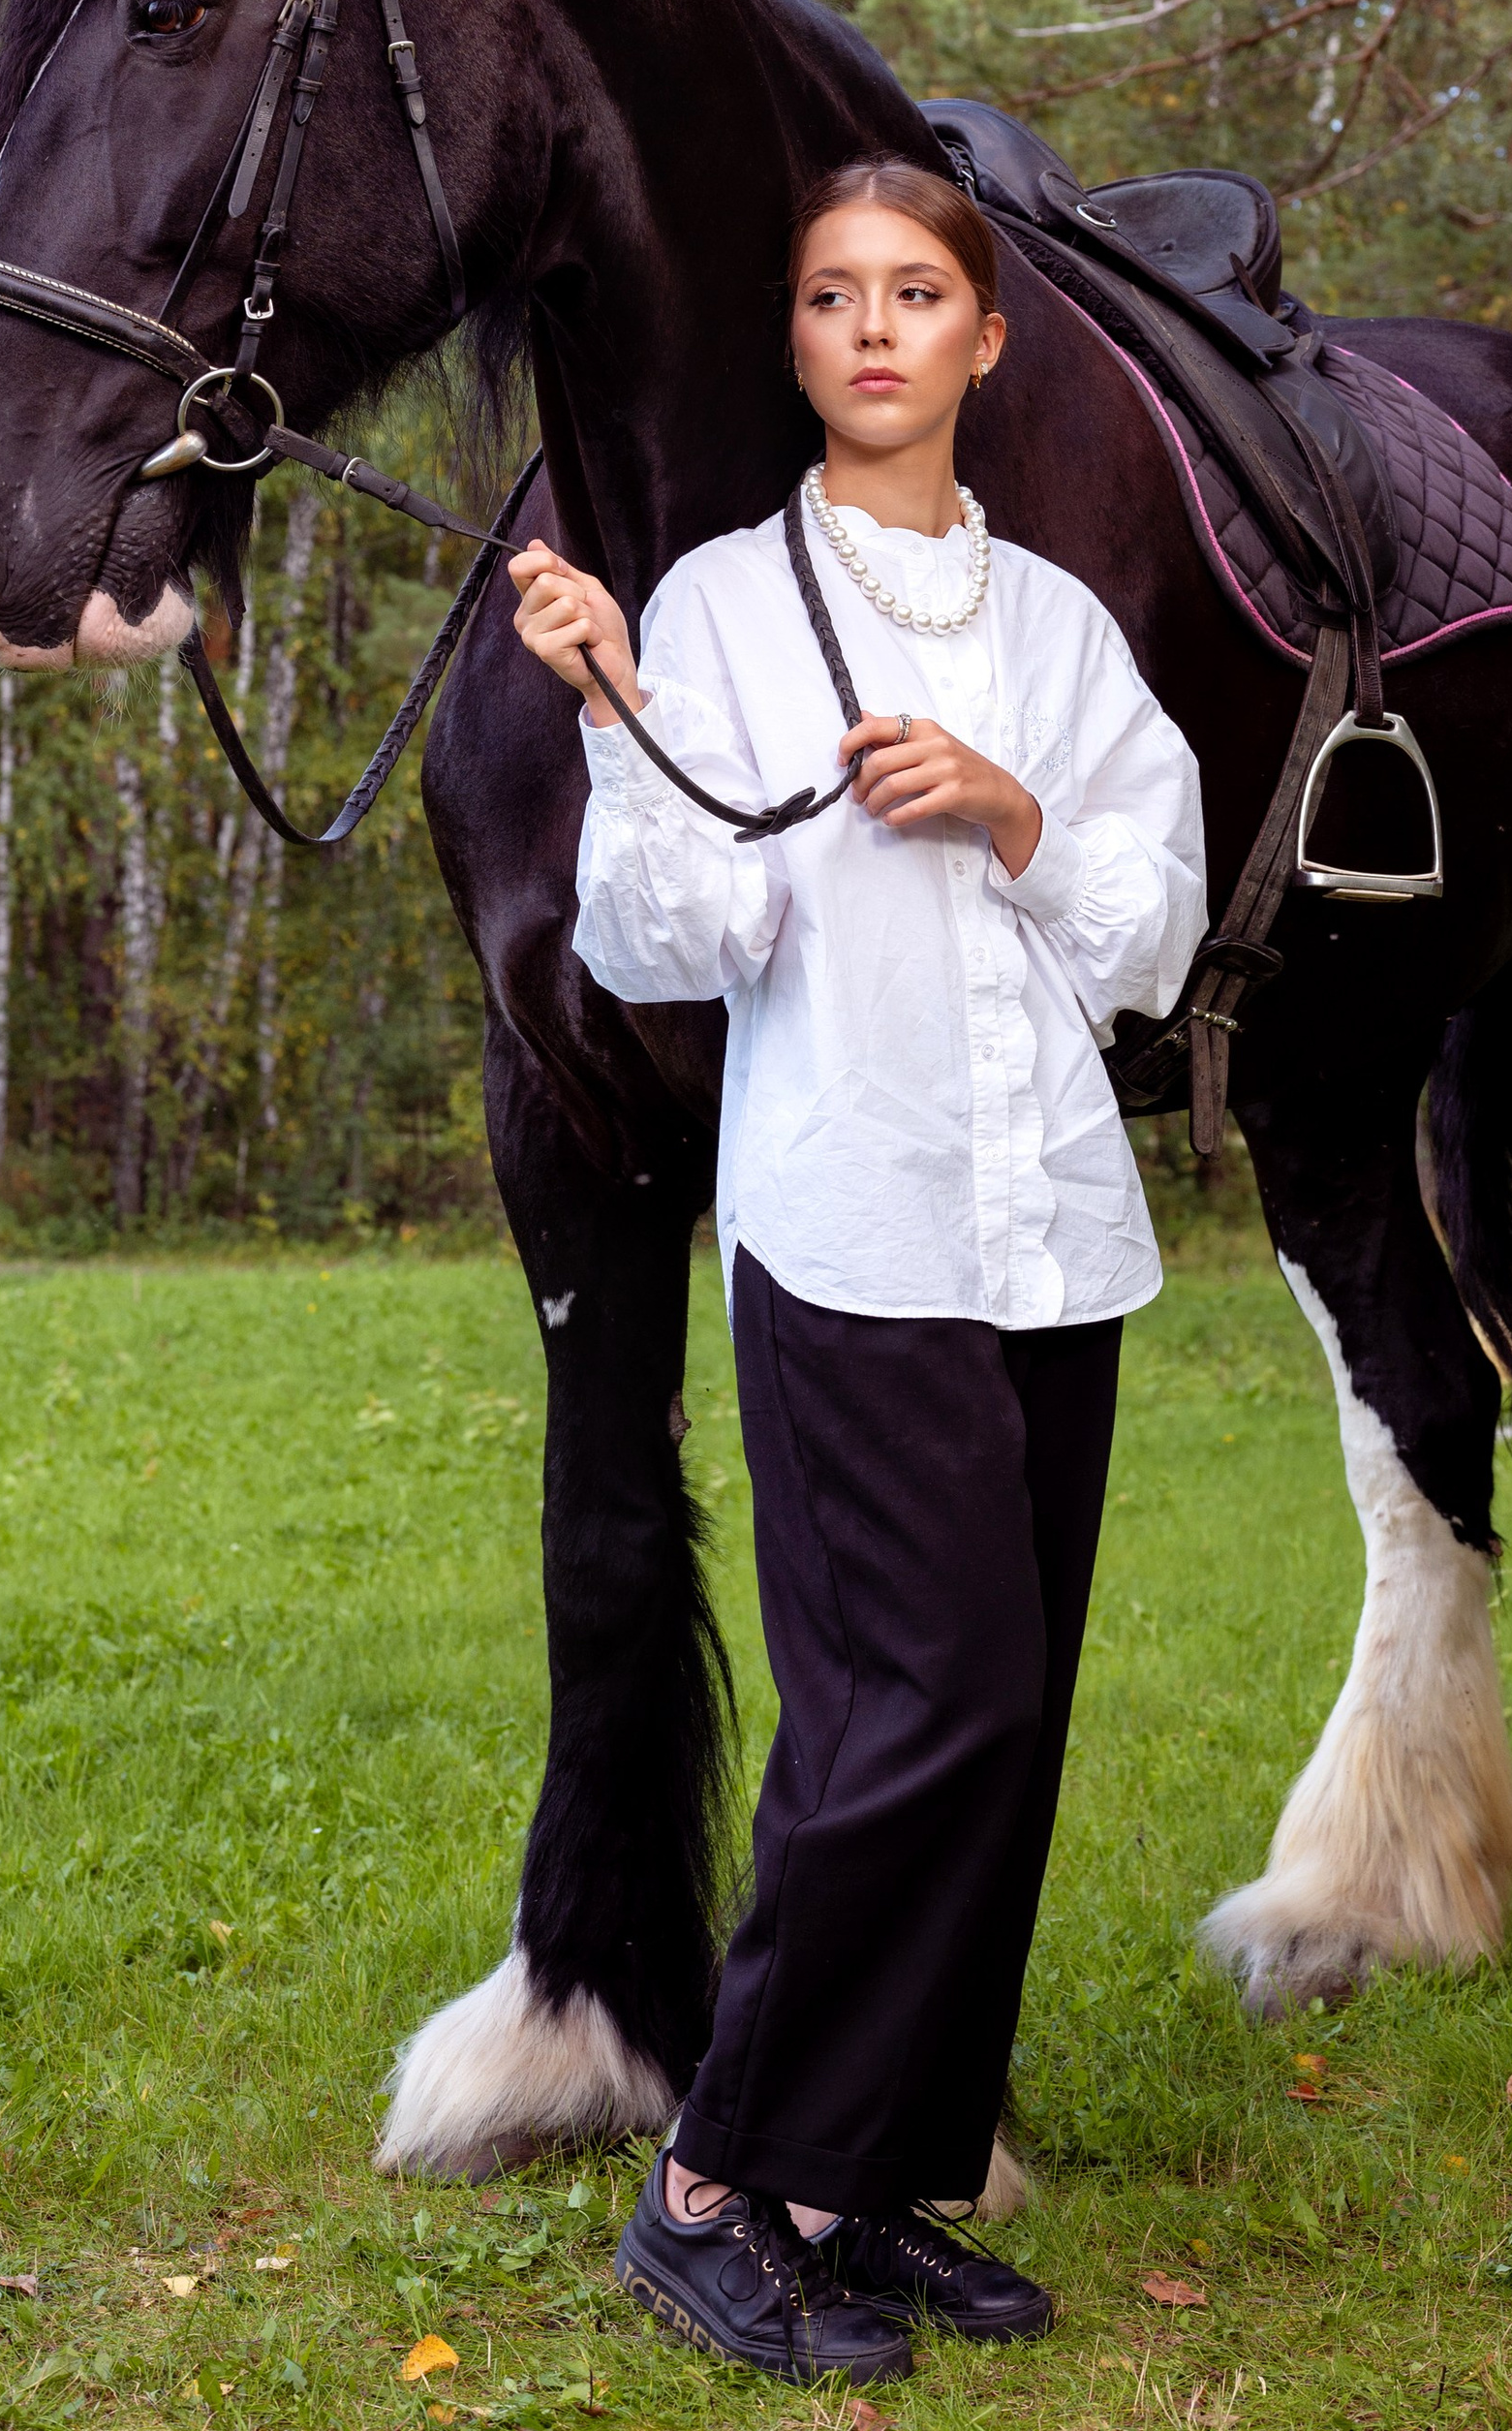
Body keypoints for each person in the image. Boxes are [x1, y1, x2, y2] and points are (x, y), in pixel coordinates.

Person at [508, 157, 1205, 2387]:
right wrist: (618, 709)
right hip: (851, 1224)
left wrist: (1008, 811)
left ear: (984, 340)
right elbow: (663, 939)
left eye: (918, 292)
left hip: (1054, 1239)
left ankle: (859, 2182)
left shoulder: (1066, 636)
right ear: (792, 342)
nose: (876, 327)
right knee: (919, 1707)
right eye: (830, 295)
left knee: (1004, 1732)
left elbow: (1153, 930)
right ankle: (713, 2180)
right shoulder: (714, 605)